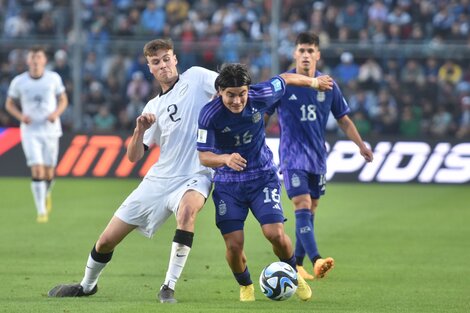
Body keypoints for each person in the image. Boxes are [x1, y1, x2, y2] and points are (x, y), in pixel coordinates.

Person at [47, 39, 219, 303]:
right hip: (159, 179)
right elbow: (133, 156)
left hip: (197, 174)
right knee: (106, 241)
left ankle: (168, 287)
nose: (163, 65)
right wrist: (139, 130)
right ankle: (87, 285)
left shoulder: (196, 77)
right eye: (156, 62)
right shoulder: (152, 107)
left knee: (187, 211)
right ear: (150, 68)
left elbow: (229, 87)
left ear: (175, 59)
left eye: (166, 59)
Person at [196, 63, 333, 301]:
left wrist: (312, 82)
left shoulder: (262, 94)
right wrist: (225, 158)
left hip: (262, 177)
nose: (237, 101)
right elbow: (203, 156)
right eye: (230, 95)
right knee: (234, 245)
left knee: (275, 234)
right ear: (220, 92)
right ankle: (246, 285)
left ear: (249, 90)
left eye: (242, 94)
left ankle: (295, 275)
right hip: (228, 184)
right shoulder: (209, 114)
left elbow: (285, 78)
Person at [266, 32, 374, 281]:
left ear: (318, 55)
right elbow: (264, 114)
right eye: (301, 50)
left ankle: (299, 265)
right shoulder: (285, 83)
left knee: (311, 209)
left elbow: (343, 119)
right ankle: (317, 259)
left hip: (317, 157)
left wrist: (360, 145)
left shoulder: (329, 85)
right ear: (295, 54)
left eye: (310, 51)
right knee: (302, 204)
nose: (305, 55)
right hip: (292, 156)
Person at [5, 46, 68, 223]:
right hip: (30, 131)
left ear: (44, 60)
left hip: (50, 129)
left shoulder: (53, 78)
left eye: (38, 57)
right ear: (27, 61)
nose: (35, 61)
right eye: (32, 57)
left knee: (49, 172)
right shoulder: (19, 81)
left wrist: (56, 114)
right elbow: (9, 104)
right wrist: (20, 116)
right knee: (37, 168)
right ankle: (41, 211)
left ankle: (46, 194)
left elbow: (63, 100)